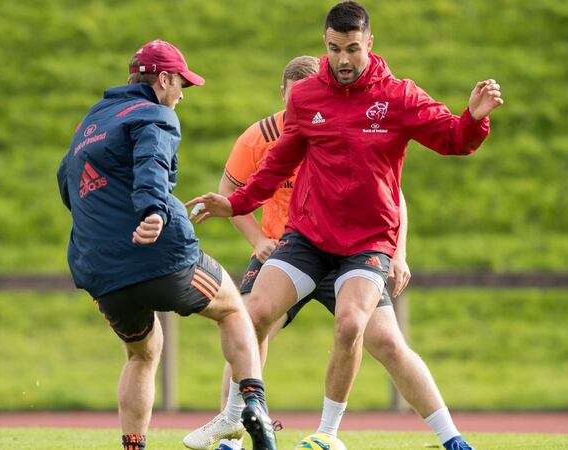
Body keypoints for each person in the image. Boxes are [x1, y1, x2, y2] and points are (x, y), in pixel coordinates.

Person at [187, 2, 503, 450]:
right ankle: (236, 421)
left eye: (353, 49)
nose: (344, 60)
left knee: (357, 328)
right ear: (325, 45)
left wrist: (473, 117)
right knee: (251, 313)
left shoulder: (399, 96)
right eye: (335, 49)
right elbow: (278, 163)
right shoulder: (307, 97)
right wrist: (237, 203)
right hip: (309, 238)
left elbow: (453, 139)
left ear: (369, 44)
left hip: (365, 244)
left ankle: (331, 434)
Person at [56, 39, 277, 450]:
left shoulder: (91, 122)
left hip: (100, 269)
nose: (181, 95)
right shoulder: (155, 114)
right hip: (159, 254)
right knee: (233, 310)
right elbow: (152, 166)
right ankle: (253, 405)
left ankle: (133, 446)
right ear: (164, 78)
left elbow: (66, 185)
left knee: (142, 353)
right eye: (181, 85)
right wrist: (153, 212)